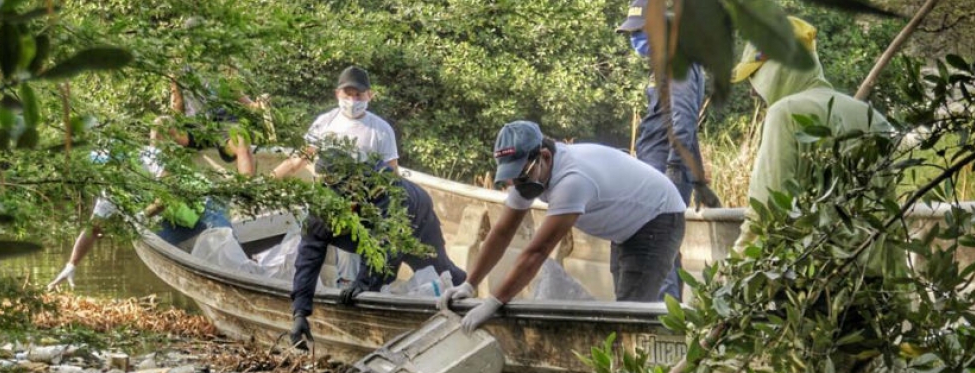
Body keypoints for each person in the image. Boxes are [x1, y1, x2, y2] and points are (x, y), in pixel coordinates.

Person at [438, 120, 686, 333]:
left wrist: (493, 302)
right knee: (623, 306)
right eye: (512, 178)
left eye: (521, 176)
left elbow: (536, 252)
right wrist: (469, 284)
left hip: (658, 217)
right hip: (626, 223)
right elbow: (502, 232)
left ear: (544, 156)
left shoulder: (572, 181)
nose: (517, 184)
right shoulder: (532, 176)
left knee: (631, 312)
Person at [47, 81, 250, 290]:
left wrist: (143, 214)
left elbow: (166, 193)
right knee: (149, 235)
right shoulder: (111, 190)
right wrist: (71, 264)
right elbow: (92, 229)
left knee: (229, 256)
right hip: (179, 220)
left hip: (205, 206)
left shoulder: (148, 157)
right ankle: (200, 279)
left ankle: (241, 281)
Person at [730, 16, 893, 253]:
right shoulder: (874, 118)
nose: (753, 92)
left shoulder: (784, 114)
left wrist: (735, 268)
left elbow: (767, 207)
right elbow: (889, 214)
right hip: (868, 275)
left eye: (755, 76)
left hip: (810, 276)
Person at [288, 162, 466, 349]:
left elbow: (385, 242)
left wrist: (364, 282)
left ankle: (465, 296)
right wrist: (300, 312)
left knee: (439, 270)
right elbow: (308, 259)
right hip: (368, 233)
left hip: (415, 220)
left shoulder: (383, 191)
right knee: (380, 284)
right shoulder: (319, 213)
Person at [272, 66, 400, 289]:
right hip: (323, 200)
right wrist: (268, 180)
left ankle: (346, 294)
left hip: (358, 206)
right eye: (347, 94)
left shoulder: (380, 130)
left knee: (349, 256)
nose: (352, 100)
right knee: (296, 240)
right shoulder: (325, 123)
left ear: (370, 95)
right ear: (337, 94)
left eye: (358, 94)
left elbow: (392, 175)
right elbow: (298, 159)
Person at [617, 0, 711, 301]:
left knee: (656, 247)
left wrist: (672, 172)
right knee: (664, 248)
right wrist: (698, 180)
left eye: (642, 31)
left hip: (663, 172)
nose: (637, 39)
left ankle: (661, 322)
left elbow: (683, 126)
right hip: (660, 169)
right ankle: (670, 315)